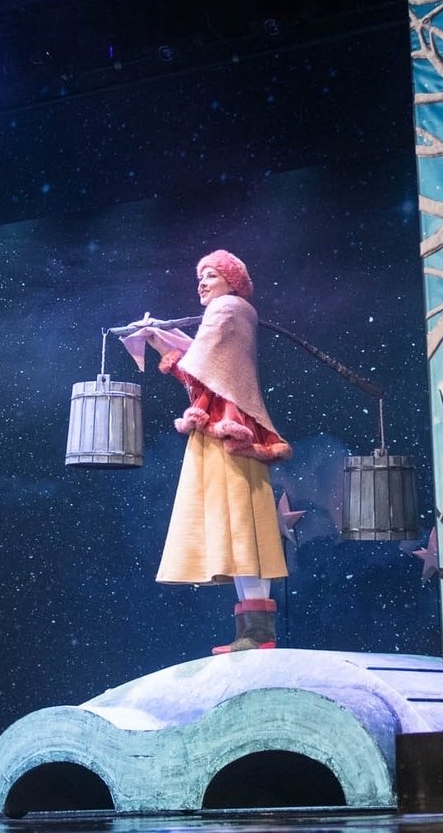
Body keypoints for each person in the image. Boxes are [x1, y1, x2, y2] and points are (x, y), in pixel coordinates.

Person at [150, 249, 291, 654]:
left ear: (233, 282)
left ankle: (259, 635)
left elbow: (197, 369)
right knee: (241, 527)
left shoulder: (228, 309)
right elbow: (206, 365)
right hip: (226, 428)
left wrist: (160, 345)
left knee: (243, 524)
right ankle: (255, 633)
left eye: (211, 275)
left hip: (228, 431)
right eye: (200, 276)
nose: (202, 283)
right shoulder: (236, 312)